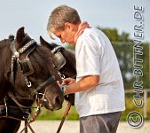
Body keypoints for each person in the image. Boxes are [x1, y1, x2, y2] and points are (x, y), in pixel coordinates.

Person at [47, 5, 125, 133]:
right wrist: (76, 82)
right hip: (108, 107)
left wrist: (63, 89)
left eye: (60, 35)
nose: (62, 41)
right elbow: (95, 76)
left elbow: (92, 80)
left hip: (97, 110)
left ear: (68, 26)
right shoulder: (96, 34)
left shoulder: (84, 40)